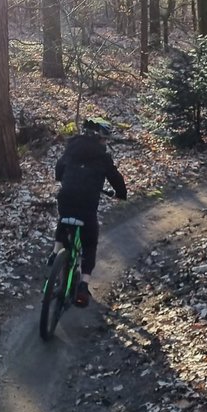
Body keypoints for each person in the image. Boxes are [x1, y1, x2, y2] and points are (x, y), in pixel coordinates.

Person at [53, 117, 127, 307]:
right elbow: (116, 178)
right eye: (105, 138)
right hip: (87, 203)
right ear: (100, 138)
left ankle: (55, 253)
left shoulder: (71, 148)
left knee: (64, 219)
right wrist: (121, 194)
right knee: (89, 242)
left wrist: (64, 178)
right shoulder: (103, 157)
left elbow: (58, 170)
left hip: (66, 197)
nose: (105, 142)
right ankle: (84, 285)